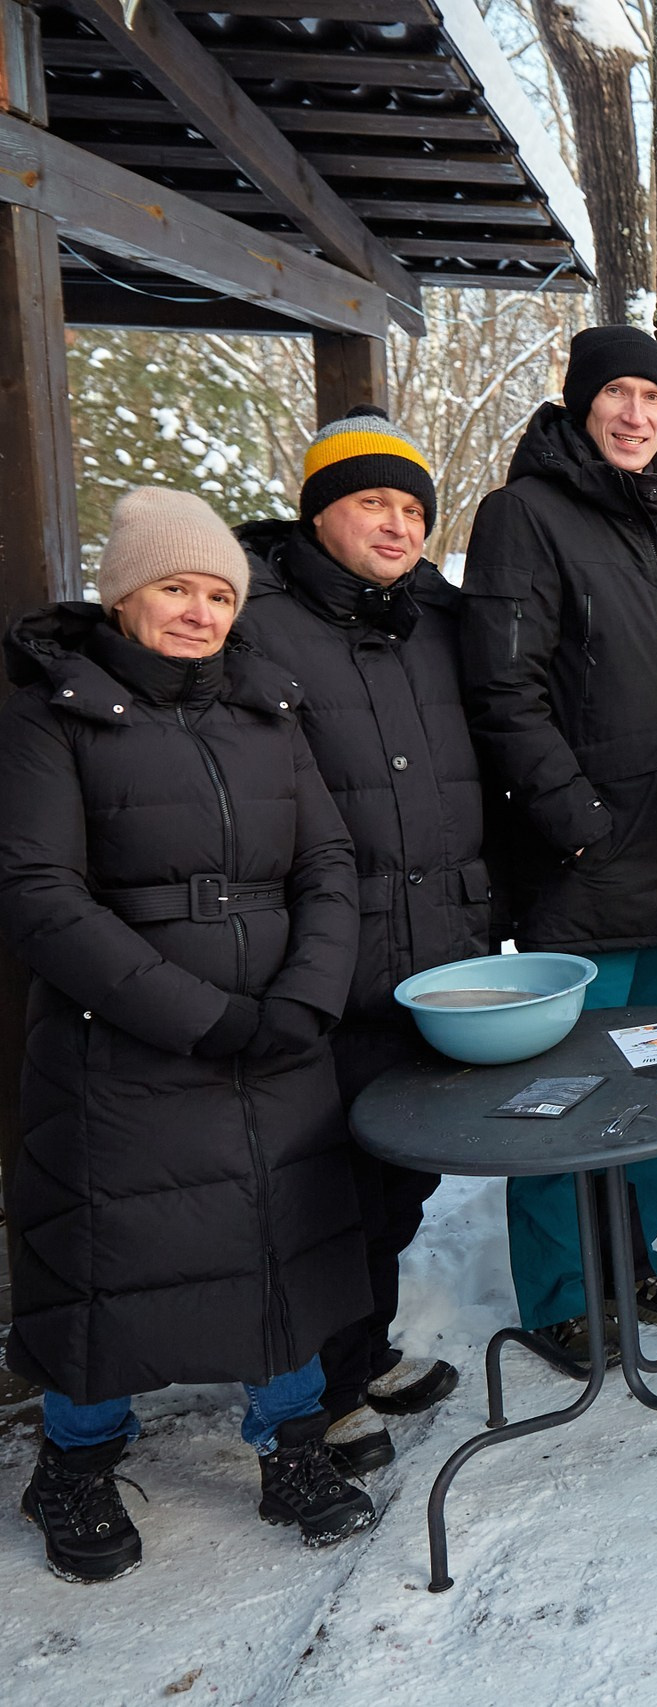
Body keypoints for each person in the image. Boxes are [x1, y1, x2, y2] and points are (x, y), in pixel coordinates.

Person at [0, 488, 375, 1581]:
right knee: (111, 1259)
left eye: (219, 592)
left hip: (279, 1032)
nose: (200, 611)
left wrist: (305, 995)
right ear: (124, 595)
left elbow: (328, 863)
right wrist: (203, 1018)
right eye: (176, 587)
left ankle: (293, 1447)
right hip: (124, 1045)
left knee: (280, 1245)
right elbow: (39, 893)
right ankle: (74, 1460)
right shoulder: (51, 710)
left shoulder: (266, 706)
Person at [461, 326, 657, 1373]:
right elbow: (502, 686)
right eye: (618, 395)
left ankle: (636, 1258)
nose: (637, 415)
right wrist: (570, 816)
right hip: (583, 865)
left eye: (653, 398)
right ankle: (562, 1295)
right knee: (566, 1090)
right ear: (581, 405)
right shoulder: (524, 517)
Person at [237, 407, 482, 1476]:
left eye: (411, 507)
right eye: (370, 502)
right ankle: (326, 1390)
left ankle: (365, 1351)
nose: (395, 524)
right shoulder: (258, 618)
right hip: (323, 953)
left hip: (437, 944)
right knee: (322, 1183)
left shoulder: (436, 618)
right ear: (319, 513)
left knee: (397, 1176)